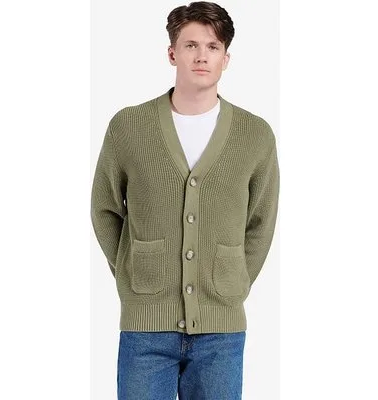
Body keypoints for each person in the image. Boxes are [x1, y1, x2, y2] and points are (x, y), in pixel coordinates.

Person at [90, 1, 280, 399]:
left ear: (226, 58)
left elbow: (260, 222)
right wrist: (135, 272)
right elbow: (105, 209)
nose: (201, 56)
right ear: (172, 53)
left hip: (221, 333)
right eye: (191, 45)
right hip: (145, 329)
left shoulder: (255, 134)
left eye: (212, 47)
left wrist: (232, 282)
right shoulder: (128, 126)